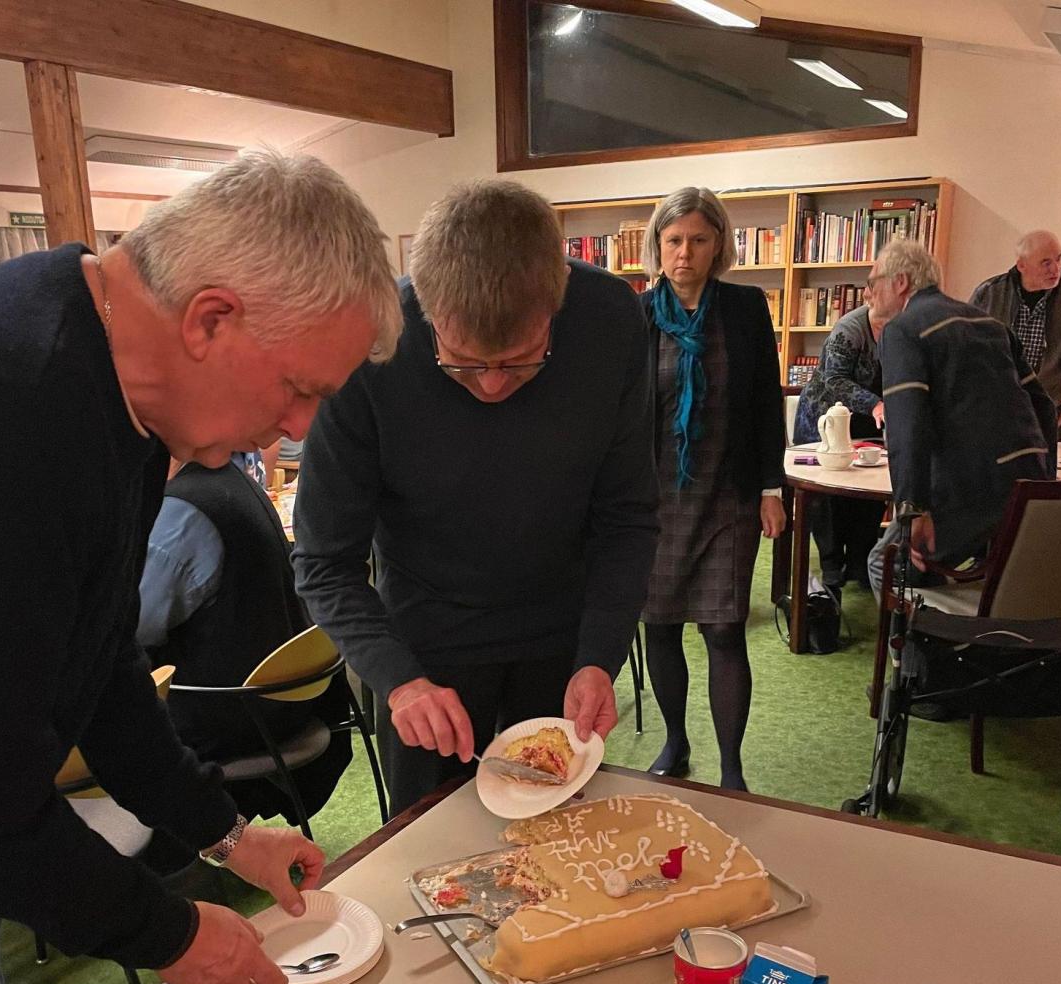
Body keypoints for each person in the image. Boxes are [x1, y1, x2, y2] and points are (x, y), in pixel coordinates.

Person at [0, 150, 401, 984]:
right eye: (294, 389)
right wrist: (174, 930)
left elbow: (99, 656)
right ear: (210, 318)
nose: (292, 431)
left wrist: (225, 831)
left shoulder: (125, 396)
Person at [293, 179, 658, 817]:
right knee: (426, 840)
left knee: (557, 837)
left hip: (561, 634)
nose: (490, 386)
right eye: (461, 362)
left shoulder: (609, 320)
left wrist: (600, 655)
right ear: (425, 313)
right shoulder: (370, 343)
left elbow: (626, 516)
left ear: (556, 307)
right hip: (424, 642)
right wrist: (398, 681)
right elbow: (324, 561)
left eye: (520, 362)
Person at [637, 187, 786, 790]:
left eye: (698, 240)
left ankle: (731, 768)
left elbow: (766, 404)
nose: (684, 253)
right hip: (656, 501)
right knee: (662, 625)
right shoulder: (640, 315)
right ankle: (676, 741)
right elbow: (623, 412)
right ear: (658, 246)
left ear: (718, 244)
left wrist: (773, 488)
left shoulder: (746, 308)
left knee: (724, 629)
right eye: (673, 241)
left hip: (730, 494)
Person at [137, 457, 352, 830]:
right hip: (283, 704)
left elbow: (126, 631)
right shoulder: (231, 479)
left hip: (225, 717)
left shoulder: (180, 515)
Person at [865, 239, 1056, 596]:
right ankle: (945, 632)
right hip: (1026, 489)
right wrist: (1042, 480)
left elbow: (908, 424)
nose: (868, 294)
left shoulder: (904, 330)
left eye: (873, 283)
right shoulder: (991, 324)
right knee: (926, 567)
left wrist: (913, 509)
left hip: (973, 490)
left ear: (901, 282)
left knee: (885, 562)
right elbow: (1043, 405)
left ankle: (914, 651)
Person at [793, 302, 889, 591]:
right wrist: (875, 404)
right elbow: (834, 379)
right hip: (825, 418)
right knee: (830, 498)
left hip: (867, 422)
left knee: (870, 490)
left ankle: (861, 562)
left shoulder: (901, 329)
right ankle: (831, 565)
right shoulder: (850, 329)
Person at [970, 230, 1061, 431]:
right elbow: (967, 352)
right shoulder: (989, 294)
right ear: (1022, 265)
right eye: (1046, 262)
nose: (1055, 269)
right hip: (997, 410)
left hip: (1052, 413)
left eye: (1058, 259)